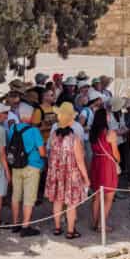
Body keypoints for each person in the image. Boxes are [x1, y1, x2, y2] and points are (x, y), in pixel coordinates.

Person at [44, 102, 88, 239]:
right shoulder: (74, 140)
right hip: (71, 174)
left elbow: (50, 154)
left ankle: (57, 228)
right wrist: (86, 178)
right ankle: (70, 231)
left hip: (56, 173)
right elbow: (80, 162)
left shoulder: (53, 138)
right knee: (71, 203)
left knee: (57, 201)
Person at [9, 102, 47, 237]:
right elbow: (42, 152)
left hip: (16, 165)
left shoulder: (12, 128)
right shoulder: (34, 131)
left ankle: (15, 223)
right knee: (29, 198)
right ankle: (25, 226)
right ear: (30, 116)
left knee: (16, 195)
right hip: (32, 166)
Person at [89, 108, 120, 232]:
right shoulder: (110, 133)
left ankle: (95, 222)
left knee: (96, 196)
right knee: (108, 196)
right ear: (105, 117)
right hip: (107, 165)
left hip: (96, 162)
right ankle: (102, 225)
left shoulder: (93, 132)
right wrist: (117, 160)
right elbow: (116, 154)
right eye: (108, 115)